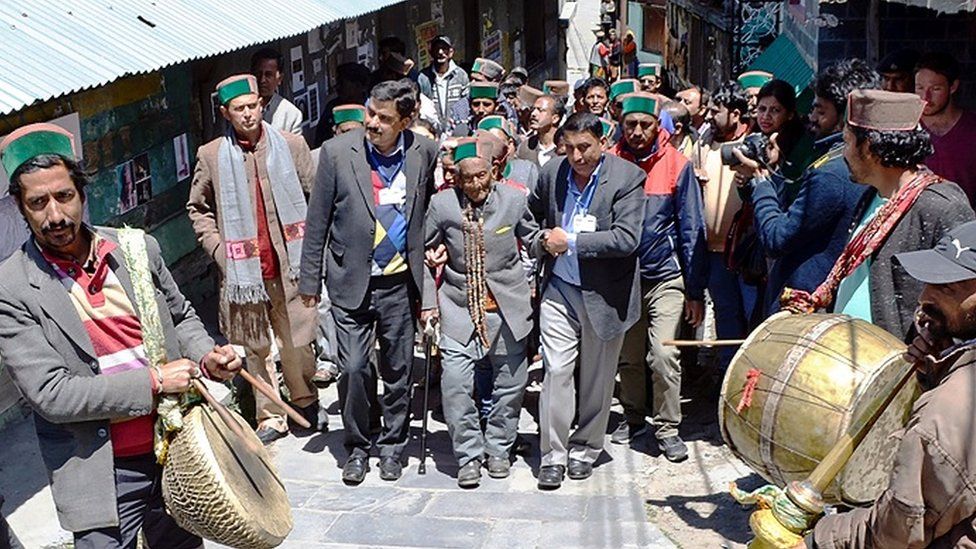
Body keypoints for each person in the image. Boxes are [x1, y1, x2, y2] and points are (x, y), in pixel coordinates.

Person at [0, 122, 241, 547]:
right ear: (20, 208)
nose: (55, 215)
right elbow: (52, 394)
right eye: (38, 203)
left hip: (176, 452)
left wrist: (207, 356)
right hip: (99, 471)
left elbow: (180, 316)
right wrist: (154, 382)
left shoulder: (134, 249)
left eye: (64, 196)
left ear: (82, 193)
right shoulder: (12, 286)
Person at [802, 220, 976, 548]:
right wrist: (936, 368)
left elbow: (898, 529)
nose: (925, 297)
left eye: (947, 288)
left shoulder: (948, 412)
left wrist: (818, 539)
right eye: (929, 283)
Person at [299, 79, 438, 484]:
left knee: (398, 370)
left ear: (406, 121)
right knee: (355, 368)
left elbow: (426, 210)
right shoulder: (338, 153)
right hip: (350, 280)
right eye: (369, 113)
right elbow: (318, 221)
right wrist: (310, 282)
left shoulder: (423, 152)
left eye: (384, 118)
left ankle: (393, 445)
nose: (372, 123)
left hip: (398, 283)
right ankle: (357, 445)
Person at [186, 74, 323, 445]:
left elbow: (317, 198)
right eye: (239, 109)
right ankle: (271, 414)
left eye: (252, 106)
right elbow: (197, 208)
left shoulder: (292, 145)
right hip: (243, 273)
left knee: (297, 338)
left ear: (262, 106)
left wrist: (313, 248)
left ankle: (304, 397)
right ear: (225, 113)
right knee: (255, 345)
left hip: (289, 263)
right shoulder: (211, 155)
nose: (247, 115)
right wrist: (218, 250)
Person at [781, 89, 974, 341]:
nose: (843, 153)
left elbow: (966, 297)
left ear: (869, 148)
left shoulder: (942, 205)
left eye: (848, 142)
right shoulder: (871, 195)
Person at [528, 112, 645, 490]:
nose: (577, 157)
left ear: (603, 142)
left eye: (585, 148)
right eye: (570, 148)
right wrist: (544, 239)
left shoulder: (628, 179)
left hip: (604, 294)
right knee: (557, 371)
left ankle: (586, 447)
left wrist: (572, 243)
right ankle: (553, 454)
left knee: (597, 378)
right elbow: (528, 220)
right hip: (560, 288)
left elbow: (627, 238)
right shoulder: (552, 174)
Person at [421, 133, 538, 487]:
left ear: (494, 171)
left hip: (506, 309)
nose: (474, 184)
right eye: (465, 177)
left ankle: (499, 448)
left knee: (510, 385)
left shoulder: (515, 201)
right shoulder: (442, 206)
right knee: (455, 385)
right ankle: (469, 455)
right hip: (457, 309)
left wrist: (550, 242)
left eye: (481, 176)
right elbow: (422, 255)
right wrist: (428, 303)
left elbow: (532, 238)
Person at [731, 59, 878, 317]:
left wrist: (761, 181)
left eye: (821, 111)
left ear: (846, 116)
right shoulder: (858, 163)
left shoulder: (831, 172)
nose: (812, 118)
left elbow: (778, 238)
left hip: (805, 304)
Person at [609, 93, 706, 461]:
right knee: (629, 358)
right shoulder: (610, 162)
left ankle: (667, 427)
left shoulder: (677, 166)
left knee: (664, 355)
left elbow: (691, 229)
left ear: (658, 126)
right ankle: (633, 418)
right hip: (623, 280)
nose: (636, 132)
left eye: (644, 125)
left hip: (666, 277)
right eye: (630, 124)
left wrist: (695, 290)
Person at [698, 81, 756, 367]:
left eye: (715, 110)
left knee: (749, 313)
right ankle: (725, 371)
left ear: (735, 114)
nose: (709, 115)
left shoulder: (754, 144)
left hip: (746, 250)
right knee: (725, 311)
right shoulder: (703, 143)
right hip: (713, 250)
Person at [915, 51, 976, 207]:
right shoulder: (905, 129)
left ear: (953, 87)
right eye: (920, 88)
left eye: (935, 89)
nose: (926, 97)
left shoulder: (971, 129)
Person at [754, 79, 810, 185]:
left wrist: (773, 169)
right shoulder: (757, 139)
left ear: (790, 114)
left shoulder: (802, 146)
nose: (765, 116)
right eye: (762, 109)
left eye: (775, 110)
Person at [417, 35, 470, 135]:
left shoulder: (461, 75)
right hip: (432, 132)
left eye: (444, 49)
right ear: (431, 52)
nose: (440, 52)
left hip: (456, 131)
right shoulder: (424, 77)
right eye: (437, 49)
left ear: (451, 52)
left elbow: (466, 101)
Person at [478, 115, 540, 192]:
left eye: (498, 142)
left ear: (510, 144)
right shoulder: (474, 174)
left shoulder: (527, 170)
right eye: (486, 144)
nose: (493, 149)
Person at [315, 62, 370, 147]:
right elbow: (320, 140)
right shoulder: (332, 107)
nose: (337, 87)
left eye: (342, 83)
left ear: (358, 86)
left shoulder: (372, 108)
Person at [251, 48, 303, 135]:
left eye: (268, 75)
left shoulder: (291, 114)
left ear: (279, 79)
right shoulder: (240, 108)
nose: (262, 80)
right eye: (258, 74)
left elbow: (294, 147)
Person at [517, 94, 565, 169]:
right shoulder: (526, 147)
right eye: (533, 109)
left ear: (555, 118)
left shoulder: (565, 148)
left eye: (540, 110)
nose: (533, 114)